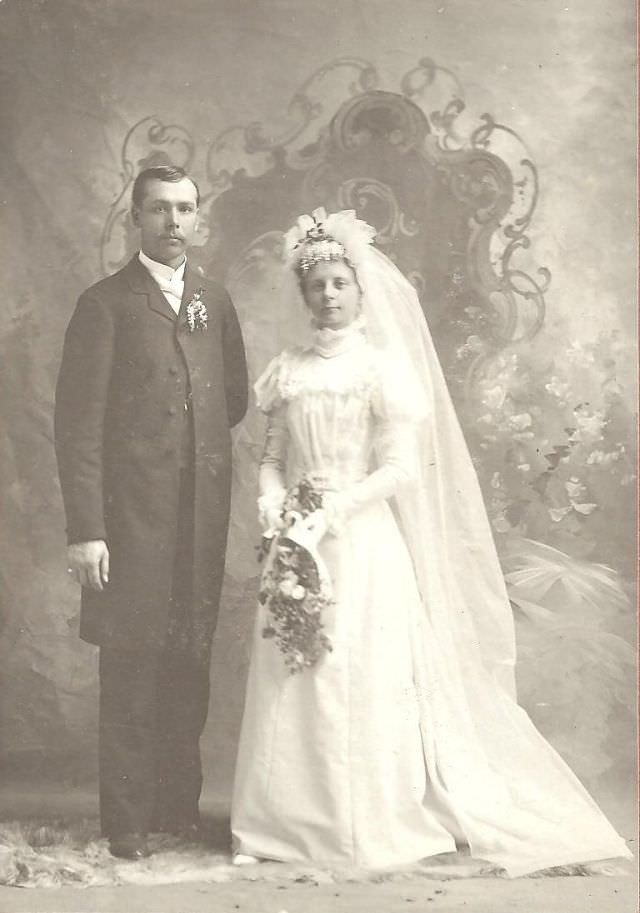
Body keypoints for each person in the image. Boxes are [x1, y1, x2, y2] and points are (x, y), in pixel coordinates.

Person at [230, 208, 631, 875]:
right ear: (303, 295)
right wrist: (276, 502)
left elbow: (400, 469)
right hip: (296, 538)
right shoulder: (289, 370)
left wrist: (335, 509)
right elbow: (272, 453)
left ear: (360, 289)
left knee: (356, 671)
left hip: (359, 538)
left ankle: (362, 823)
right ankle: (277, 823)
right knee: (292, 671)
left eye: (339, 282)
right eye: (316, 285)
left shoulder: (382, 367)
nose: (328, 294)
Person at [54, 165, 248, 860]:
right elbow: (76, 426)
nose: (174, 222)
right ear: (135, 217)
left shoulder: (213, 299)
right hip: (129, 524)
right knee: (132, 666)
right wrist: (87, 529)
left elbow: (233, 398)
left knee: (187, 666)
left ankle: (177, 808)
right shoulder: (104, 304)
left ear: (198, 219)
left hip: (198, 521)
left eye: (185, 209)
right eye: (160, 209)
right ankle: (128, 820)